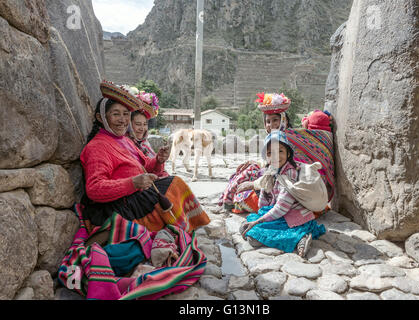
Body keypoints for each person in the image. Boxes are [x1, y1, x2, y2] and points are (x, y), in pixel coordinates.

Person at [79, 80, 210, 233]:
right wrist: (133, 183)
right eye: (116, 114)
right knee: (174, 185)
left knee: (173, 183)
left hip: (134, 197)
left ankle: (183, 227)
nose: (122, 120)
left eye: (126, 114)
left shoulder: (124, 141)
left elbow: (144, 167)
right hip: (118, 208)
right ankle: (180, 228)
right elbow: (94, 189)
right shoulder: (97, 147)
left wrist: (158, 160)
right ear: (101, 118)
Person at [239, 131, 326, 257]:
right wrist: (260, 215)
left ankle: (300, 236)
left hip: (292, 216)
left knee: (253, 237)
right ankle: (295, 236)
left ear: (288, 153)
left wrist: (257, 222)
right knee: (246, 227)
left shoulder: (289, 174)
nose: (275, 156)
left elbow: (281, 208)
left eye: (280, 151)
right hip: (281, 213)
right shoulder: (272, 171)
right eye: (270, 153)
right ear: (266, 157)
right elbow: (264, 197)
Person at [127, 109, 170, 178]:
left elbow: (153, 167)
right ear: (129, 125)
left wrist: (159, 160)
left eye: (145, 124)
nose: (142, 128)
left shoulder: (144, 144)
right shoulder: (125, 144)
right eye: (138, 124)